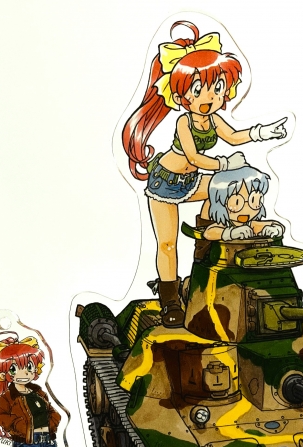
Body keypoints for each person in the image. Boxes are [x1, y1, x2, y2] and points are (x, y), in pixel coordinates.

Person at [122, 20, 287, 326]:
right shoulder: (184, 122)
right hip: (165, 183)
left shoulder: (212, 120)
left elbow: (234, 136)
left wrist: (262, 132)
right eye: (198, 90)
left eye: (217, 88)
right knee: (167, 244)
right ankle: (170, 300)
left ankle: (204, 252)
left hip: (193, 181)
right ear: (182, 95)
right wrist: (225, 164)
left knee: (223, 190)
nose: (208, 97)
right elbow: (194, 157)